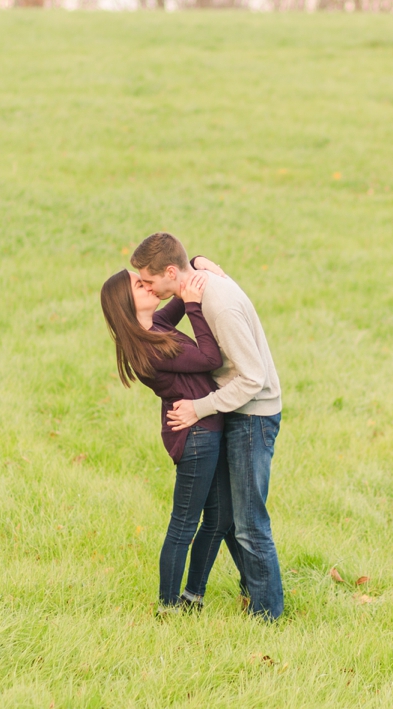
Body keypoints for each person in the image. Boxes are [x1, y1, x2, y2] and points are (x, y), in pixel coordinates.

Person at [130, 233, 285, 621]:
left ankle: (268, 617)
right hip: (232, 411)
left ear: (170, 272)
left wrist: (201, 408)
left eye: (148, 281)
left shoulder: (216, 303)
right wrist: (197, 264)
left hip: (252, 413)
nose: (146, 287)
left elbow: (253, 377)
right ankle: (251, 591)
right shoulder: (193, 291)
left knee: (248, 524)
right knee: (229, 521)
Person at [99, 266, 230, 611]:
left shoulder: (155, 326)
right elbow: (209, 357)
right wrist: (195, 307)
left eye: (145, 280)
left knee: (218, 519)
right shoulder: (149, 345)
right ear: (125, 302)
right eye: (140, 285)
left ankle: (192, 597)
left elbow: (177, 291)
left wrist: (197, 263)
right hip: (195, 437)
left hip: (209, 428)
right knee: (184, 525)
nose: (148, 286)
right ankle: (168, 606)